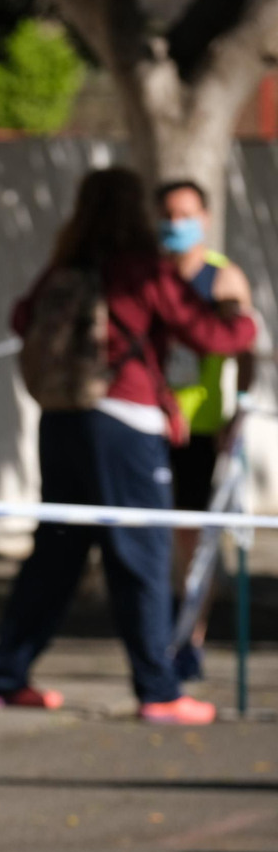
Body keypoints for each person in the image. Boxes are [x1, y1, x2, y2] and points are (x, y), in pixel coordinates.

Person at [0, 168, 255, 726]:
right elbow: (211, 336)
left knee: (56, 555)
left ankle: (3, 680)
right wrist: (242, 318)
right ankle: (159, 692)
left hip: (60, 421)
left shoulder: (66, 267)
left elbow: (21, 317)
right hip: (125, 427)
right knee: (144, 557)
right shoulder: (141, 270)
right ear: (138, 213)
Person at [157, 179, 256, 683]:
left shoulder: (223, 279)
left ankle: (189, 640)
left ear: (204, 217)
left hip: (201, 429)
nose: (176, 225)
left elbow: (248, 351)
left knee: (193, 538)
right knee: (156, 534)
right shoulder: (150, 277)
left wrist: (238, 413)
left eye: (186, 214)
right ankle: (160, 635)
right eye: (168, 215)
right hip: (152, 424)